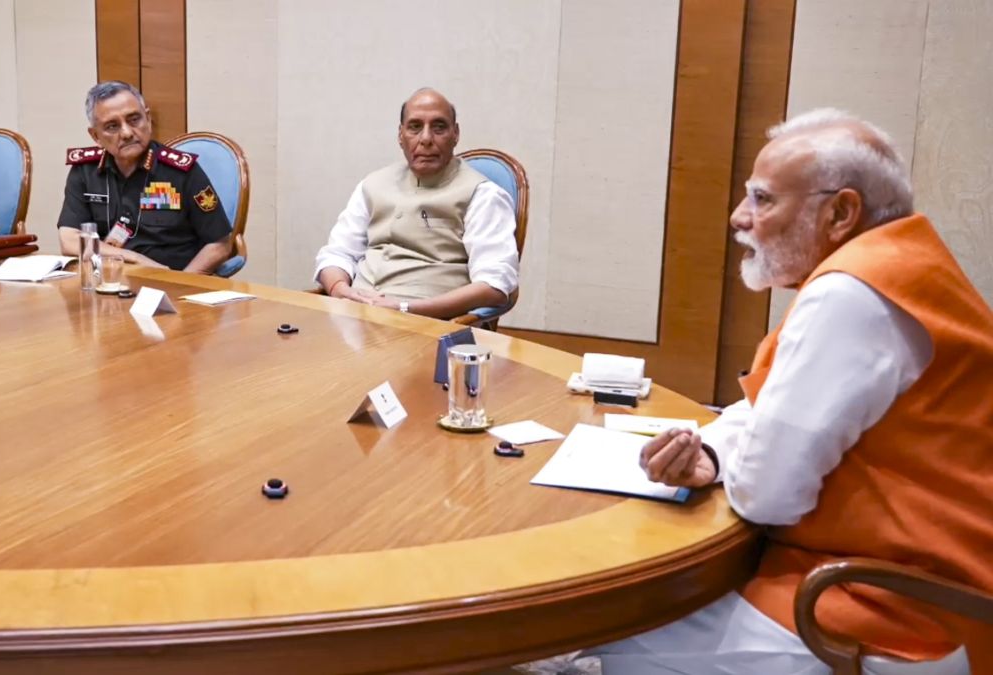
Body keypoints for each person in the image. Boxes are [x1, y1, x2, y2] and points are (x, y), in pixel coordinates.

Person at [522, 109, 993, 675]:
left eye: (763, 200)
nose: (739, 217)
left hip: (885, 608)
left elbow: (768, 497)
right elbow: (775, 408)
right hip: (942, 589)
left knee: (597, 624)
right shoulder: (902, 262)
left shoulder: (849, 295)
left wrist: (734, 460)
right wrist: (714, 451)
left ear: (841, 212)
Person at [313, 88, 519, 318]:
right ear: (401, 135)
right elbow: (337, 254)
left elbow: (495, 285)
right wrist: (340, 290)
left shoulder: (482, 195)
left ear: (455, 134)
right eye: (415, 127)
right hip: (353, 320)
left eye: (439, 127)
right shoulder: (372, 185)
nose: (426, 139)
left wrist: (404, 309)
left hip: (424, 325)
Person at [57, 81, 232, 273]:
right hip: (109, 283)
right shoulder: (85, 171)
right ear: (95, 136)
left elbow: (220, 243)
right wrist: (134, 259)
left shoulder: (181, 171)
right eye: (112, 126)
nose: (126, 133)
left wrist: (181, 282)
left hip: (170, 282)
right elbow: (70, 241)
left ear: (148, 119)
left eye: (134, 119)